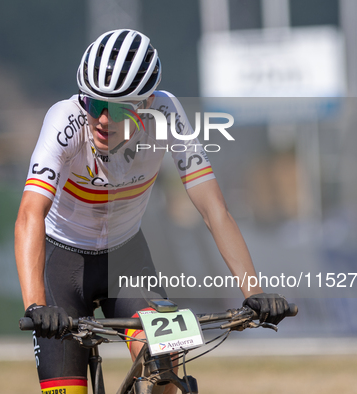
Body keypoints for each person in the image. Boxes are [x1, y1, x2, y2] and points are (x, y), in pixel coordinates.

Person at [15, 29, 289, 394]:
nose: (101, 120)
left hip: (126, 260)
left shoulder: (166, 113)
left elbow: (213, 209)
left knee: (167, 361)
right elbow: (29, 215)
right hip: (61, 263)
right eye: (94, 105)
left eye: (116, 110)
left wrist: (253, 291)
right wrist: (36, 307)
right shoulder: (65, 119)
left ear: (144, 106)